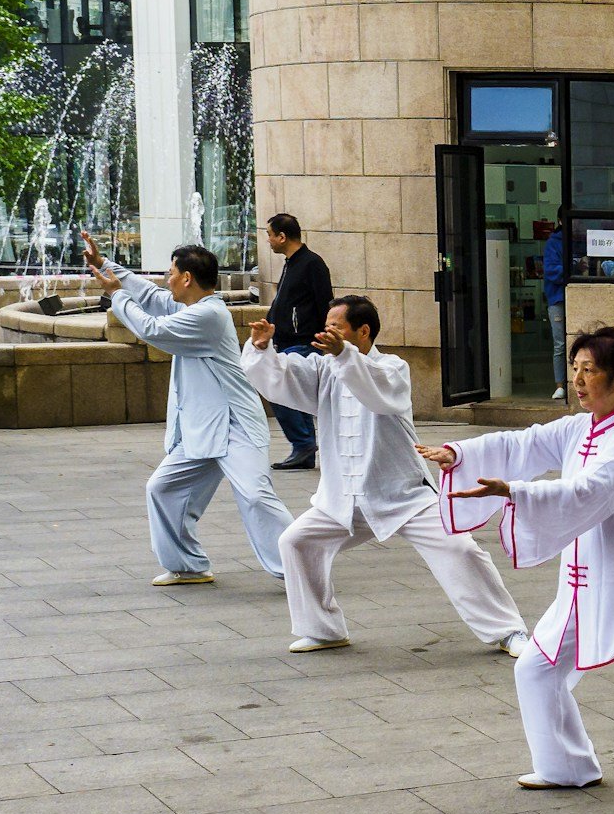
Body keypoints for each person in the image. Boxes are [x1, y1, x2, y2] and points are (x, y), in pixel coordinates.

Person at [420, 327, 614, 814]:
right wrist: (457, 452)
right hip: (583, 585)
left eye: (589, 370)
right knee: (535, 669)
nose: (578, 379)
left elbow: (589, 491)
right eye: (574, 368)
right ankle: (569, 765)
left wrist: (517, 491)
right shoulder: (579, 427)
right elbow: (523, 442)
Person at [245, 297, 528, 656]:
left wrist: (345, 357)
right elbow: (283, 378)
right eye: (326, 326)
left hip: (401, 494)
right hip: (342, 497)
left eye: (336, 327)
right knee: (296, 542)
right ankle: (323, 629)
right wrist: (262, 347)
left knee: (459, 548)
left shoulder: (392, 368)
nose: (327, 334)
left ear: (363, 331)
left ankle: (509, 631)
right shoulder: (324, 368)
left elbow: (377, 394)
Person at [86, 233, 293, 587]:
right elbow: (149, 296)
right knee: (162, 489)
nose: (166, 280)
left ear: (187, 278)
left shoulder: (209, 316)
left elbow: (151, 328)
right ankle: (188, 565)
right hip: (201, 429)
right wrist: (105, 264)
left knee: (257, 496)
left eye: (170, 273)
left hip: (236, 427)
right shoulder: (189, 307)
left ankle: (300, 565)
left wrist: (116, 294)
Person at [262, 213, 332, 470]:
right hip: (287, 341)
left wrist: (324, 338)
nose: (268, 241)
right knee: (288, 393)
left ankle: (303, 444)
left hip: (304, 342)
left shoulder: (311, 264)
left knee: (279, 389)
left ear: (282, 236)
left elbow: (326, 302)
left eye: (269, 235)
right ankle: (303, 447)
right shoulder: (291, 263)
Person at [541, 209, 569, 402]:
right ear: (560, 220)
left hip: (573, 298)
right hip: (558, 299)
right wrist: (574, 268)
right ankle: (560, 385)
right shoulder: (553, 243)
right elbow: (551, 271)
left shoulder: (580, 241)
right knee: (560, 344)